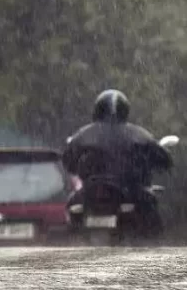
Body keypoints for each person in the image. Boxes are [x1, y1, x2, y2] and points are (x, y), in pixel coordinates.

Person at [62, 89, 173, 237]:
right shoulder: (138, 134)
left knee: (71, 205)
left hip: (92, 191)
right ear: (125, 110)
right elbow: (163, 159)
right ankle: (151, 245)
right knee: (151, 207)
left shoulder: (83, 134)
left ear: (97, 109)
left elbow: (68, 161)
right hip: (130, 190)